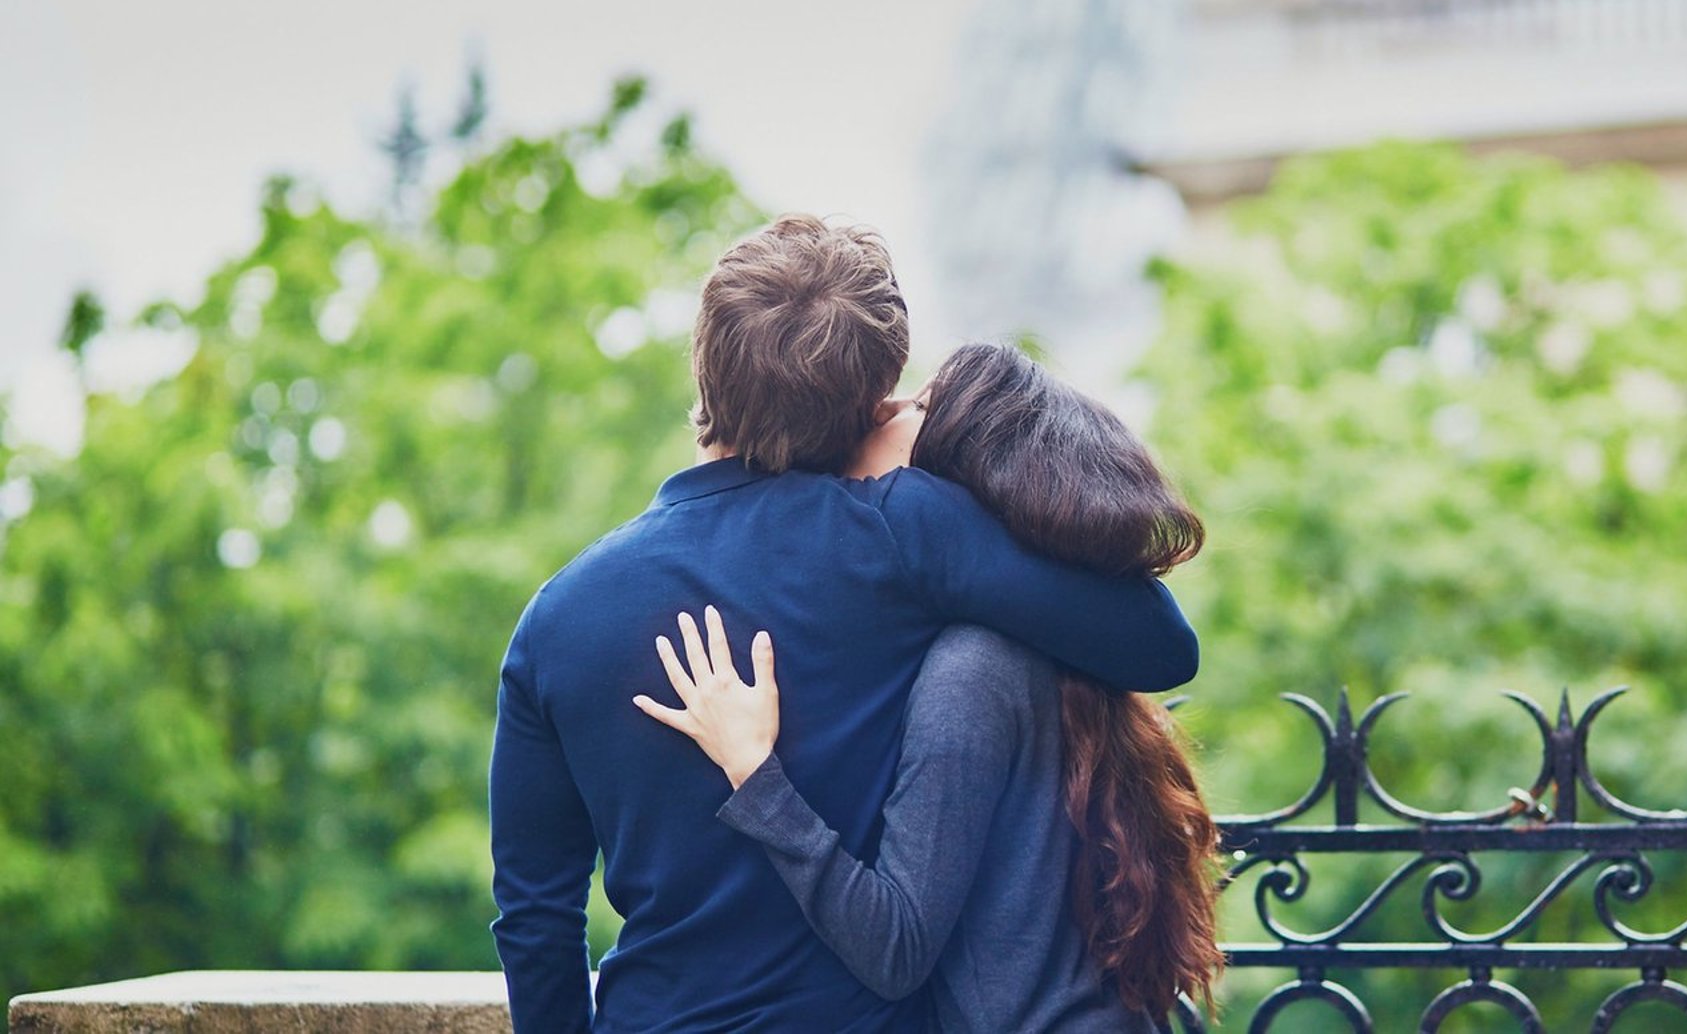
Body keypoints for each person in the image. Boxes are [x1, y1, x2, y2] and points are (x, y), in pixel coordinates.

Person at [488, 218, 1201, 1033]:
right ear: (873, 398)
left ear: (705, 362)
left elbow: (536, 916)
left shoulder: (558, 618)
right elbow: (1158, 645)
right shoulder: (902, 533)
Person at [638, 343, 1224, 1032]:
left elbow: (896, 949)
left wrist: (753, 773)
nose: (884, 408)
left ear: (948, 471)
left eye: (916, 403)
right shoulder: (1043, 641)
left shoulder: (975, 668)